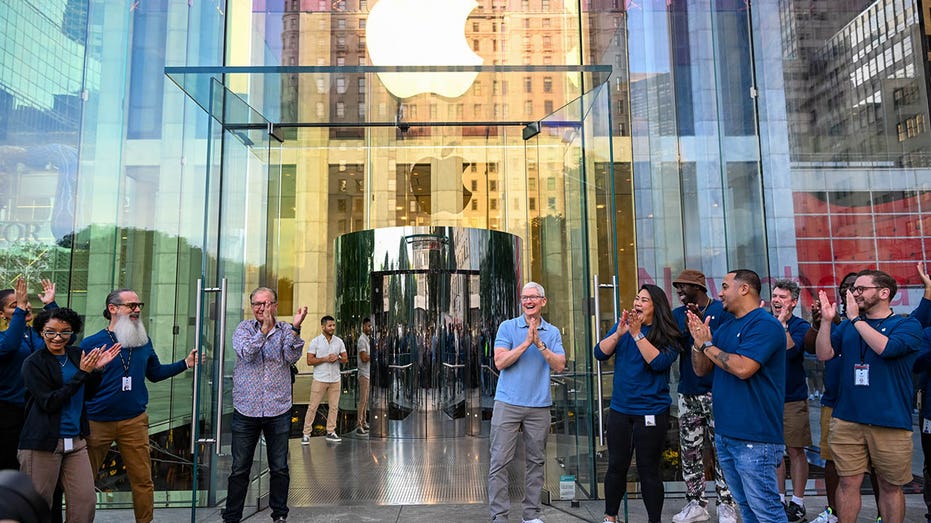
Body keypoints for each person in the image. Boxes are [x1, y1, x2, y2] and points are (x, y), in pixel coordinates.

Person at [79, 288, 197, 523]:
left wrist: (185, 363)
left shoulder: (143, 341)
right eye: (131, 305)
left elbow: (154, 373)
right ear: (113, 309)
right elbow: (79, 382)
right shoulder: (91, 343)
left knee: (143, 480)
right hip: (96, 422)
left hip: (134, 421)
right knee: (83, 482)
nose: (136, 310)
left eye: (138, 305)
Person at [815, 269, 923, 523]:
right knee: (848, 482)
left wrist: (855, 320)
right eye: (854, 289)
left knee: (889, 486)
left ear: (884, 293)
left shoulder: (907, 325)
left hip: (890, 421)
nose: (854, 293)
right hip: (847, 419)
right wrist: (827, 322)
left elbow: (885, 348)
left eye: (862, 289)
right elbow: (824, 354)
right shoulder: (851, 326)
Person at [686, 269, 787, 523]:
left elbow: (743, 368)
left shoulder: (765, 325)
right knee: (747, 508)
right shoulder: (727, 327)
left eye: (724, 286)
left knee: (766, 510)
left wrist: (708, 345)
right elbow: (700, 369)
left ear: (744, 289)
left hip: (755, 437)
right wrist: (698, 342)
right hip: (727, 434)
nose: (719, 293)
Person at [18, 308, 120, 523]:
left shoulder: (76, 355)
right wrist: (83, 373)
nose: (57, 337)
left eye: (64, 332)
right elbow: (50, 402)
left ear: (72, 332)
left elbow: (88, 393)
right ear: (41, 332)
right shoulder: (33, 363)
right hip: (42, 442)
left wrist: (96, 371)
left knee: (85, 502)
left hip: (76, 441)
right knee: (38, 506)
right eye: (50, 332)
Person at [594, 284, 681, 523]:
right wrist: (619, 333)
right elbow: (599, 353)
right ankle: (610, 517)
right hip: (621, 410)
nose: (637, 303)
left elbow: (659, 363)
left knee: (648, 470)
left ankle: (654, 520)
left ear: (656, 306)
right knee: (616, 466)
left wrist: (637, 334)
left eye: (644, 300)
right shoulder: (624, 328)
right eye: (636, 298)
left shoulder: (668, 334)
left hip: (652, 411)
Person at [222, 287, 306, 523]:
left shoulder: (286, 330)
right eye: (257, 304)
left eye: (266, 304)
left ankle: (279, 514)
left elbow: (291, 356)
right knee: (240, 469)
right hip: (245, 409)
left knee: (279, 467)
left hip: (277, 409)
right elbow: (247, 353)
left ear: (275, 306)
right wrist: (264, 332)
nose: (261, 308)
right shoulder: (243, 329)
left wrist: (297, 328)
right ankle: (232, 516)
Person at [488, 282, 565, 523]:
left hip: (539, 406)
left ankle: (531, 515)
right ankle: (499, 516)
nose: (528, 301)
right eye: (524, 297)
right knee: (499, 461)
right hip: (507, 404)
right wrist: (525, 343)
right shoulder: (508, 327)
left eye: (534, 297)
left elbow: (560, 364)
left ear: (543, 301)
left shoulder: (552, 333)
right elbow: (500, 362)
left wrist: (540, 344)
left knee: (536, 462)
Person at [669, 269, 737, 523]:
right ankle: (696, 503)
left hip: (717, 391)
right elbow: (675, 345)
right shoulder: (678, 315)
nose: (678, 291)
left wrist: (703, 326)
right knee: (690, 451)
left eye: (682, 287)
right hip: (688, 391)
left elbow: (726, 345)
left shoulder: (721, 311)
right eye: (676, 287)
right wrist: (690, 327)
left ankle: (727, 503)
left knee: (722, 450)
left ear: (698, 288)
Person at [803, 272, 857, 523]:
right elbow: (813, 348)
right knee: (831, 460)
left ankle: (883, 513)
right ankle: (833, 511)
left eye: (854, 287)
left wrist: (836, 320)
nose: (849, 291)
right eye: (844, 287)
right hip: (833, 400)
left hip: (865, 404)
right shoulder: (833, 320)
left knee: (877, 469)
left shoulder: (868, 322)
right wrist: (819, 323)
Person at [0, 278, 57, 471]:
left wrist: (50, 305)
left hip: (39, 409)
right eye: (14, 305)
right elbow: (9, 346)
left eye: (26, 302)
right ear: (2, 314)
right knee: (10, 465)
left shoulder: (36, 334)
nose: (25, 307)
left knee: (41, 466)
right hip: (9, 412)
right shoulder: (3, 338)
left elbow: (65, 337)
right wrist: (20, 309)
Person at [770, 279, 812, 522]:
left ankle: (798, 502)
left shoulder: (799, 325)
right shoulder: (764, 322)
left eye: (782, 297)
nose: (776, 301)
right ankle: (778, 499)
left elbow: (792, 351)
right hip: (768, 398)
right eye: (775, 296)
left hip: (792, 398)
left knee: (795, 449)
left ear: (793, 302)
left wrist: (783, 324)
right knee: (774, 452)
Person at [301, 315, 347, 443]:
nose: (332, 328)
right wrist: (325, 359)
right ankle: (306, 434)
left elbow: (345, 359)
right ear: (323, 327)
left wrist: (337, 358)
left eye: (333, 325)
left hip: (335, 379)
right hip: (320, 379)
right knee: (313, 407)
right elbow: (309, 361)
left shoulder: (339, 341)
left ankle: (331, 432)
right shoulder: (315, 341)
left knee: (334, 407)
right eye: (329, 325)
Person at [356, 317, 372, 435]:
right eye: (368, 326)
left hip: (368, 373)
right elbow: (364, 357)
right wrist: (374, 355)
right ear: (363, 326)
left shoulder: (367, 339)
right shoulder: (362, 340)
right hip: (363, 374)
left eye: (371, 326)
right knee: (362, 400)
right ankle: (359, 424)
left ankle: (364, 422)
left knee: (366, 400)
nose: (370, 328)